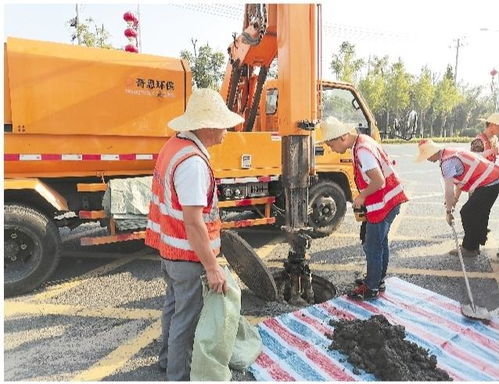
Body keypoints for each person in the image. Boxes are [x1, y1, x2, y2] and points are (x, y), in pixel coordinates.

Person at [145, 88, 244, 380]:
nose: (227, 129)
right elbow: (193, 222)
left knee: (174, 309)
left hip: (170, 250)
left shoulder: (174, 146)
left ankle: (166, 362)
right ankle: (177, 375)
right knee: (186, 320)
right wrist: (213, 268)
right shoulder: (194, 163)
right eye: (223, 123)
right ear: (208, 126)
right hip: (187, 256)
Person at [318, 116, 408, 300]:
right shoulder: (364, 141)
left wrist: (362, 196)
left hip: (383, 203)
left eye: (330, 144)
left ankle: (371, 288)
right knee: (380, 243)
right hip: (389, 200)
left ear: (342, 137)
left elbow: (378, 180)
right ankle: (377, 280)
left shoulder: (362, 151)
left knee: (372, 246)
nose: (330, 149)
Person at [414, 139, 499, 257]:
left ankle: (470, 248)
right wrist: (454, 201)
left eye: (427, 156)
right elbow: (461, 180)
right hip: (492, 178)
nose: (427, 160)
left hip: (489, 182)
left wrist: (448, 212)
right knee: (478, 212)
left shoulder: (446, 163)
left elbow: (448, 190)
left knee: (467, 213)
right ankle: (474, 244)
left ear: (432, 153)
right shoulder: (451, 152)